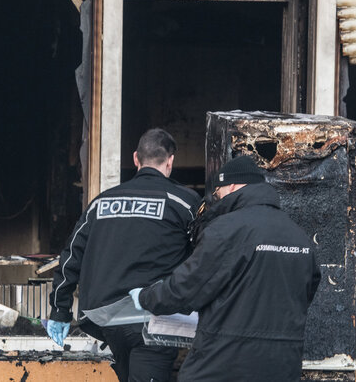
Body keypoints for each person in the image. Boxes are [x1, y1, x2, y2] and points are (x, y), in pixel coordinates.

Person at [130, 155, 321, 381]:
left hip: (223, 365)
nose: (217, 199)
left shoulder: (226, 230)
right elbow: (305, 295)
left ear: (231, 185)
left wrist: (145, 297)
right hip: (282, 367)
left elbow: (185, 288)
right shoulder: (299, 238)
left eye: (218, 192)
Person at [47, 128, 200, 382]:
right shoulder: (185, 202)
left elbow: (71, 256)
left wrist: (60, 310)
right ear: (170, 162)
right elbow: (204, 258)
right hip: (155, 320)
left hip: (106, 321)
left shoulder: (101, 203)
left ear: (135, 159)